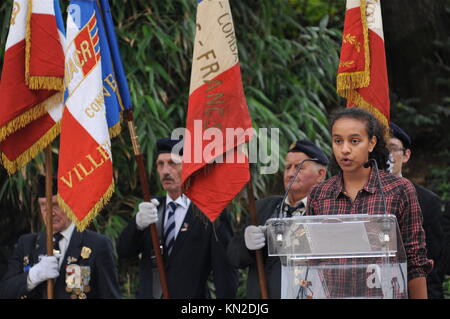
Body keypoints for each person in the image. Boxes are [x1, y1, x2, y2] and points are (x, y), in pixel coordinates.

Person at [306, 107, 432, 299]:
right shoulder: (320, 193)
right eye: (338, 141)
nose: (345, 149)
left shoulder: (398, 190)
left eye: (354, 141)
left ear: (371, 143)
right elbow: (310, 260)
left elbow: (415, 260)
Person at [117, 138, 238, 299]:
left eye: (173, 163)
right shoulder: (152, 208)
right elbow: (124, 251)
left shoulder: (209, 212)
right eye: (160, 164)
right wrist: (137, 225)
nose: (166, 171)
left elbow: (225, 271)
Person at [227, 140, 328, 298]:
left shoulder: (330, 213)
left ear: (320, 175)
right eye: (288, 167)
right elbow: (234, 257)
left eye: (299, 167)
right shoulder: (262, 208)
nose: (290, 173)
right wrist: (246, 245)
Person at [0, 176, 121, 299]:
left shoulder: (97, 245)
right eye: (43, 205)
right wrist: (33, 276)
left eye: (55, 204)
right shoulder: (26, 244)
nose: (50, 212)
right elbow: (5, 292)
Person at [389, 122, 445, 298]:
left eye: (391, 148)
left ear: (406, 155)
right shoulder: (355, 195)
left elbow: (432, 269)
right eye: (380, 149)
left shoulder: (427, 202)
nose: (385, 156)